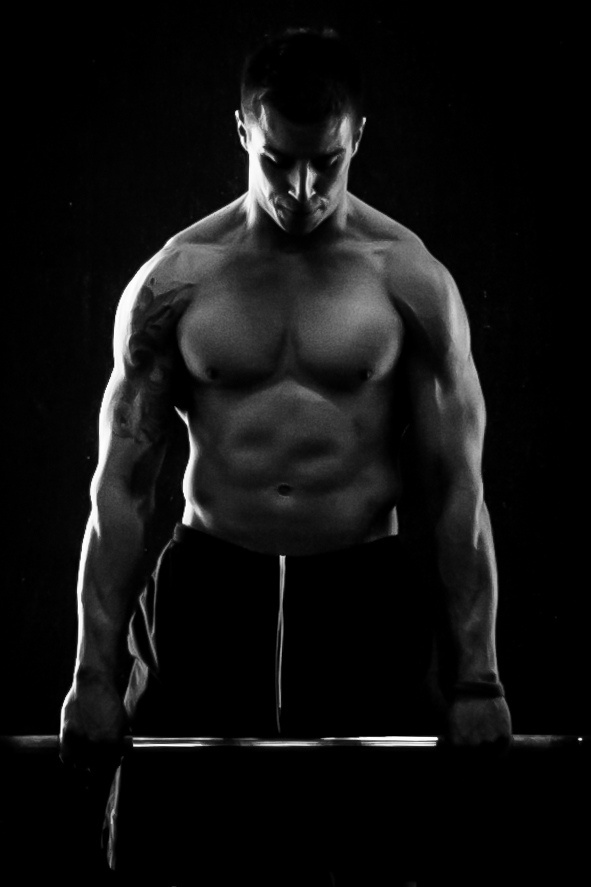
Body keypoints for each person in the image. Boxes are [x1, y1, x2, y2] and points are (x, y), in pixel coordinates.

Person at [59, 25, 512, 885]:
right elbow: (121, 487)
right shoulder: (177, 280)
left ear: (358, 139)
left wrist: (477, 679)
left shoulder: (408, 282)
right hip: (209, 586)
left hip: (363, 589)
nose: (301, 189)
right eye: (276, 161)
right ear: (241, 131)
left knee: (375, 868)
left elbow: (456, 488)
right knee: (176, 863)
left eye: (326, 161)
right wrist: (92, 673)